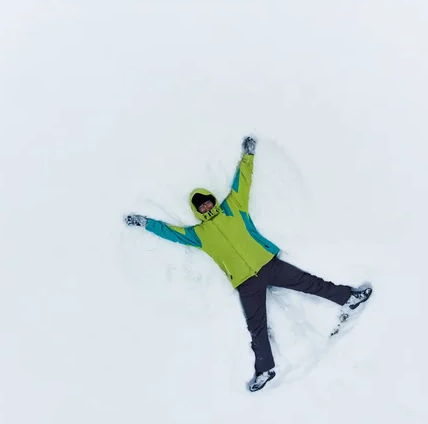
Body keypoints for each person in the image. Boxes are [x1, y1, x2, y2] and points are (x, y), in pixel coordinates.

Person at [124, 136, 372, 392]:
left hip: (267, 264)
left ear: (212, 199)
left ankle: (348, 298)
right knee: (256, 327)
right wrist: (145, 223)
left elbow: (243, 182)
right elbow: (170, 232)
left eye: (207, 200)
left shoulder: (233, 207)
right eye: (201, 205)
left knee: (311, 284)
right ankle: (265, 369)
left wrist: (249, 155)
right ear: (196, 210)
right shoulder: (199, 234)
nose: (206, 205)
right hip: (245, 282)